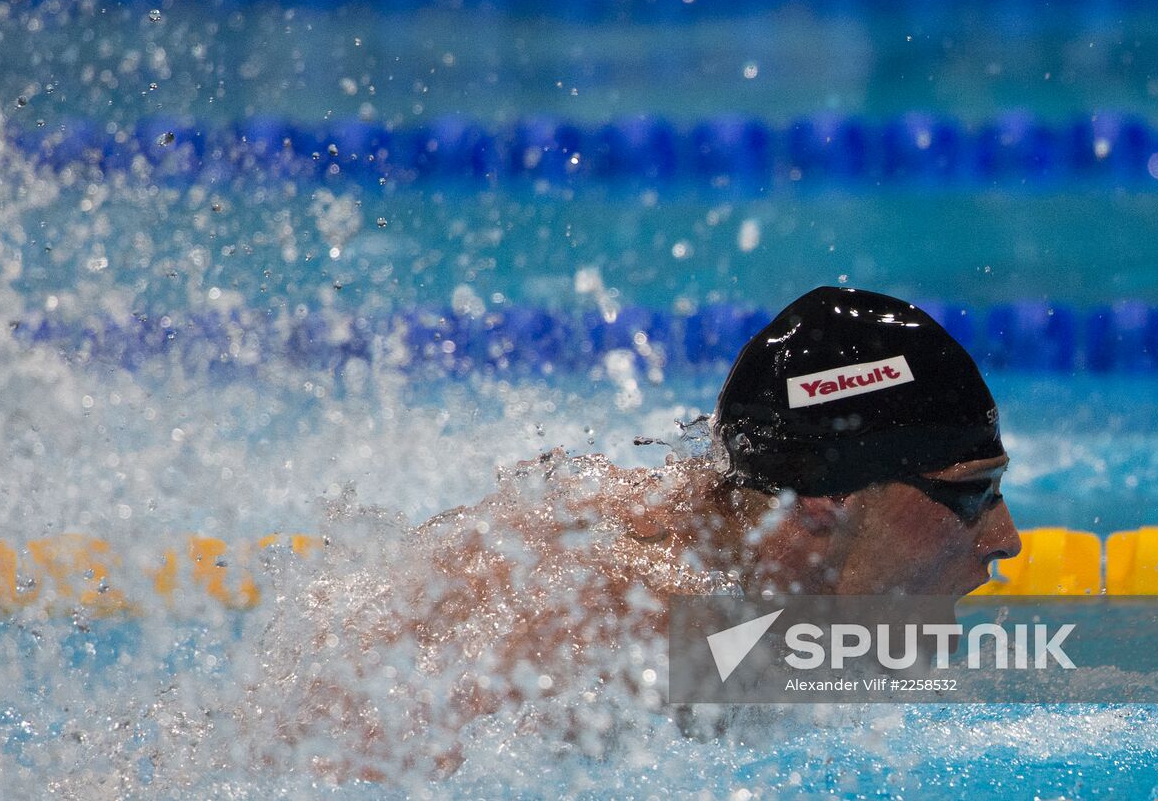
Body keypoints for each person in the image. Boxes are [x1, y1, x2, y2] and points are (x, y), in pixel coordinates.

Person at [250, 285, 1022, 780]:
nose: (1004, 537)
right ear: (827, 498)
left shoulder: (739, 597)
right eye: (972, 493)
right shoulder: (613, 620)